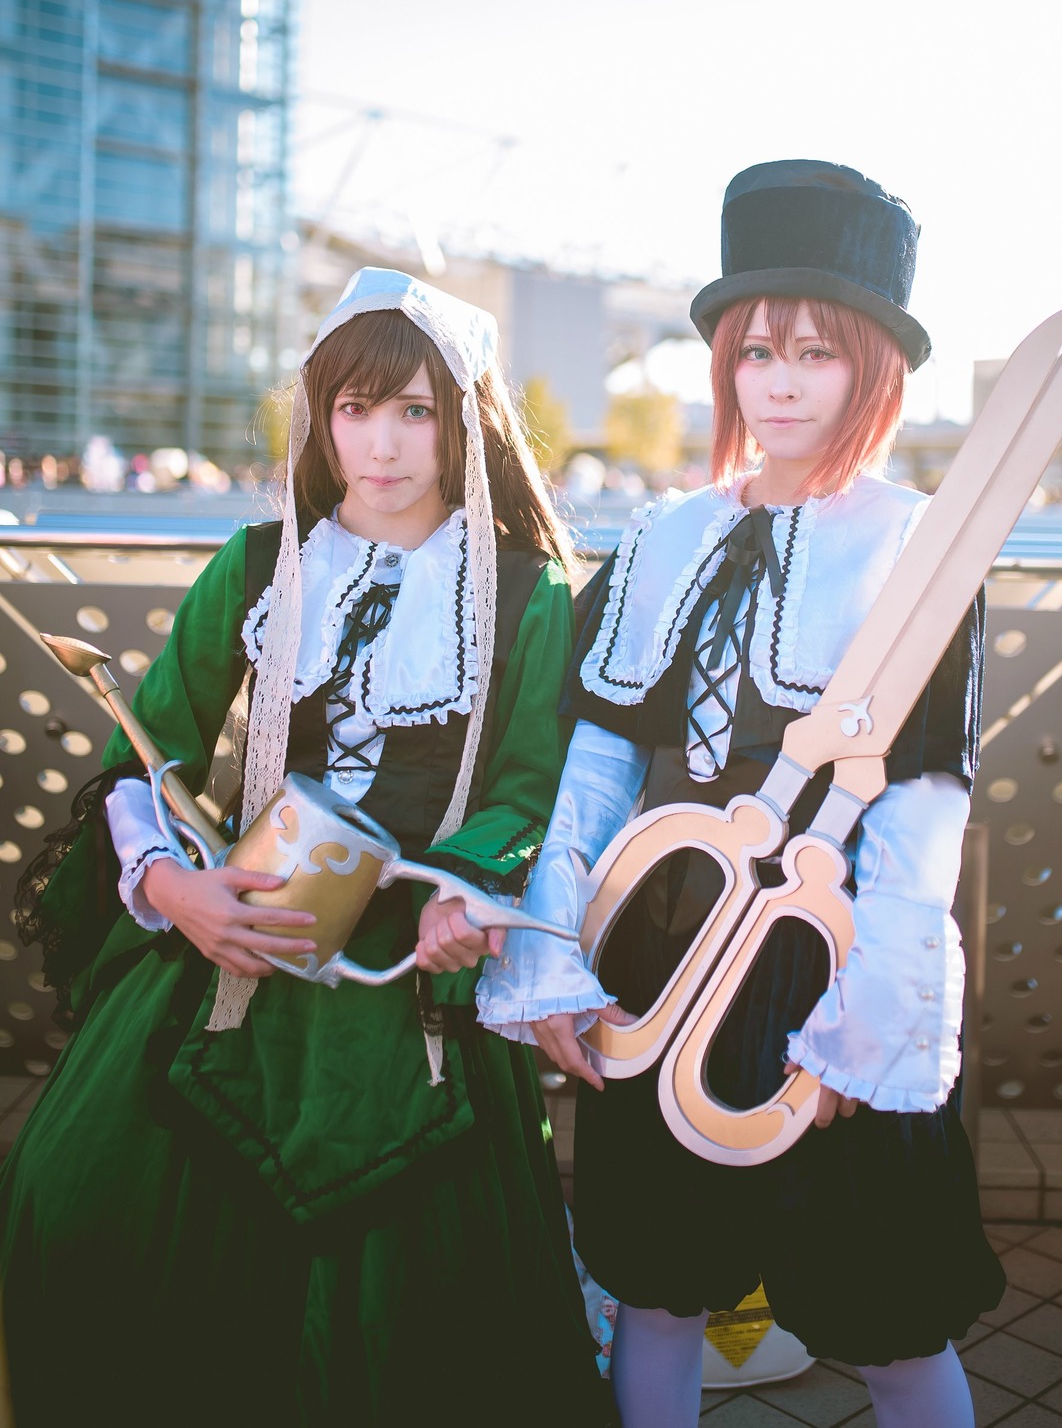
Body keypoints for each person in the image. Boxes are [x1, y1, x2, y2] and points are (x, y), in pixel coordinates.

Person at [2, 269, 613, 1428]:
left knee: (405, 1301)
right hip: (241, 934)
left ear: (464, 419)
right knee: (67, 1193)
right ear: (320, 417)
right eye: (352, 408)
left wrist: (465, 895)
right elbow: (148, 757)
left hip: (417, 963)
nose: (379, 445)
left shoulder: (528, 594)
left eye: (414, 411)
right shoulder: (255, 563)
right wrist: (176, 887)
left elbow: (532, 781)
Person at [478, 162, 1006, 1428]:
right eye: (757, 348)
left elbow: (925, 808)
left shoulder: (918, 546)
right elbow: (599, 762)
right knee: (654, 1293)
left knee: (888, 1321)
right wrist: (554, 955)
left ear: (873, 367)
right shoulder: (664, 535)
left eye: (818, 352)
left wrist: (865, 1026)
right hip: (656, 965)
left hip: (823, 966)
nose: (779, 378)